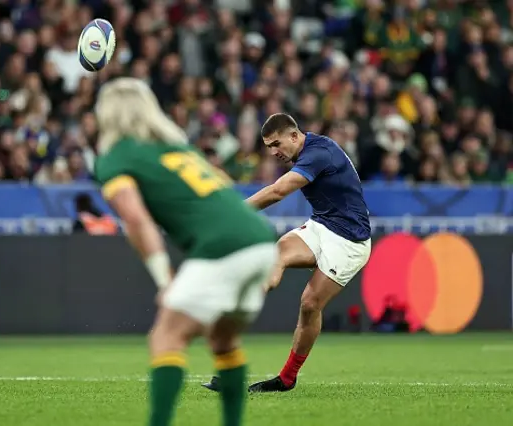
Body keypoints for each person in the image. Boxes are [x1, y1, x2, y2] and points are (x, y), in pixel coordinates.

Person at [93, 78, 278, 426]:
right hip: (260, 239)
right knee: (224, 340)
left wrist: (165, 278)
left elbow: (136, 220)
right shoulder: (180, 149)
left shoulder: (116, 158)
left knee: (166, 336)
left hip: (223, 248)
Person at [203, 113, 372, 393]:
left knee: (309, 304)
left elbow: (278, 192)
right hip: (322, 225)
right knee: (273, 258)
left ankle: (287, 378)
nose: (273, 152)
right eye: (268, 146)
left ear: (294, 136)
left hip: (349, 241)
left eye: (276, 144)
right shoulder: (307, 152)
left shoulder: (319, 153)